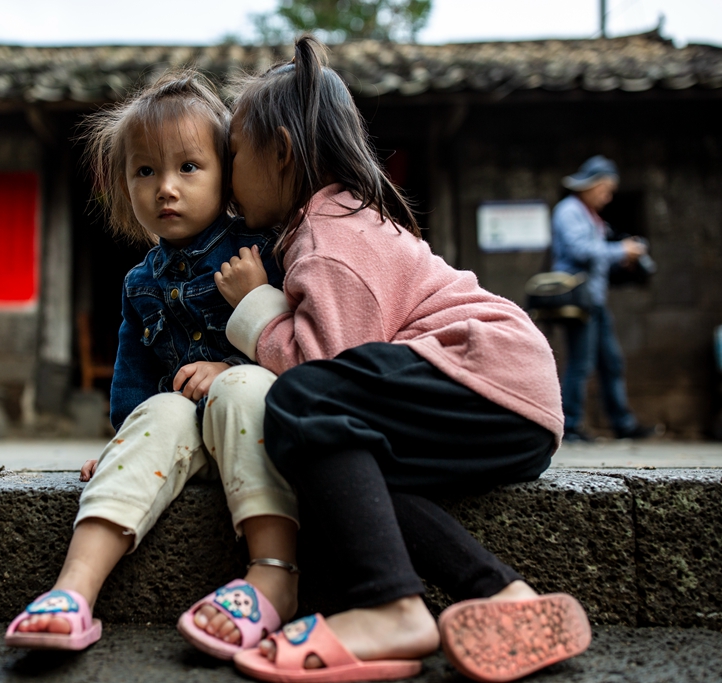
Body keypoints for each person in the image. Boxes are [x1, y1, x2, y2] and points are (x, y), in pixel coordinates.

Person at [213, 37, 591, 683]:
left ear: (278, 150)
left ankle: (390, 606)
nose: (226, 171)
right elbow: (345, 412)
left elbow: (323, 374)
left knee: (300, 405)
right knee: (355, 467)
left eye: (234, 152)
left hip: (482, 368)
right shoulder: (343, 221)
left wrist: (254, 312)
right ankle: (502, 595)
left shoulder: (329, 235)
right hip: (512, 404)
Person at [4, 70, 301, 659]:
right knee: (159, 408)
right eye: (145, 171)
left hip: (254, 428)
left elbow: (300, 339)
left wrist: (229, 360)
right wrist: (123, 438)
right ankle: (72, 592)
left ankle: (274, 573)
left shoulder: (260, 251)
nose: (166, 187)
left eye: (189, 167)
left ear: (229, 173)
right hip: (182, 440)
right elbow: (132, 370)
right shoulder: (140, 282)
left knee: (242, 384)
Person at [551, 155, 655, 442]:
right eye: (605, 189)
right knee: (581, 363)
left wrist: (622, 260)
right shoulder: (569, 210)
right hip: (579, 300)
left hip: (595, 299)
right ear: (591, 184)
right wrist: (621, 250)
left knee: (611, 361)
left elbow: (596, 257)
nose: (608, 196)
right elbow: (579, 251)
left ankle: (622, 423)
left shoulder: (592, 217)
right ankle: (570, 425)